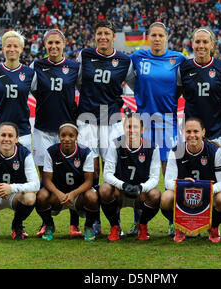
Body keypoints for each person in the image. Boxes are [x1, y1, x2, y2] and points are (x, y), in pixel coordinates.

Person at [128, 21, 186, 235]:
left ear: (166, 37)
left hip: (169, 123)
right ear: (148, 37)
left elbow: (180, 87)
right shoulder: (137, 57)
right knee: (140, 175)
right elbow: (133, 82)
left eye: (161, 35)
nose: (157, 39)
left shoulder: (177, 59)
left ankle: (174, 223)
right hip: (144, 124)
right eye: (153, 35)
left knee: (170, 174)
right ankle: (139, 222)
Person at [76, 20, 134, 235]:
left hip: (113, 121)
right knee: (92, 172)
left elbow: (135, 85)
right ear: (95, 36)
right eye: (99, 33)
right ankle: (93, 220)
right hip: (88, 120)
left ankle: (114, 221)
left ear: (113, 36)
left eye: (107, 33)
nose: (102, 37)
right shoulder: (85, 55)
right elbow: (79, 82)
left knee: (113, 171)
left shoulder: (124, 60)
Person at [30, 29, 82, 236]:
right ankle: (47, 223)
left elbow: (81, 91)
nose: (53, 46)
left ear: (64, 44)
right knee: (45, 178)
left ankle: (74, 224)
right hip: (43, 129)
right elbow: (34, 91)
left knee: (74, 176)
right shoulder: (37, 66)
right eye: (49, 43)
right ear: (45, 45)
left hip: (67, 130)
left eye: (57, 43)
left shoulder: (74, 67)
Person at [160, 117, 221, 243]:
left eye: (196, 131)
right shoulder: (176, 151)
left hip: (208, 195)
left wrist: (206, 188)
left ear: (203, 132)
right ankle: (180, 226)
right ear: (183, 133)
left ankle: (213, 226)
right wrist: (184, 185)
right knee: (166, 197)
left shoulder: (216, 152)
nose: (192, 135)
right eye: (188, 132)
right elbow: (168, 182)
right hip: (184, 195)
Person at [99, 113, 161, 242]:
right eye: (128, 127)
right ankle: (115, 226)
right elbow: (107, 174)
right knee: (104, 189)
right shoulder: (115, 144)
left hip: (140, 193)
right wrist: (123, 185)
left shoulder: (152, 147)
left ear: (142, 129)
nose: (132, 130)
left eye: (136, 127)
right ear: (124, 128)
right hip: (120, 192)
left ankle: (142, 225)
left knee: (155, 195)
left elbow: (155, 178)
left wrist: (141, 187)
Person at [35, 122, 100, 241]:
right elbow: (46, 180)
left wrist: (73, 193)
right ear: (59, 136)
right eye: (63, 135)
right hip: (58, 195)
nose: (67, 139)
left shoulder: (86, 152)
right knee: (41, 196)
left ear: (76, 137)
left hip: (78, 195)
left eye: (71, 135)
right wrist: (58, 193)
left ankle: (88, 226)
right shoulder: (51, 152)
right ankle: (49, 225)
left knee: (93, 196)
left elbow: (89, 182)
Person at [0, 30, 37, 152]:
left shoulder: (30, 74)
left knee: (22, 171)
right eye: (8, 46)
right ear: (3, 48)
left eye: (15, 46)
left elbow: (42, 101)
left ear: (21, 49)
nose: (12, 49)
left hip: (22, 133)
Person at [178, 27, 221, 151]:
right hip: (191, 132)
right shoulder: (184, 68)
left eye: (205, 42)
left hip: (217, 131)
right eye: (197, 42)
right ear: (192, 44)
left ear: (212, 45)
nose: (201, 46)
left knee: (218, 170)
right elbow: (182, 93)